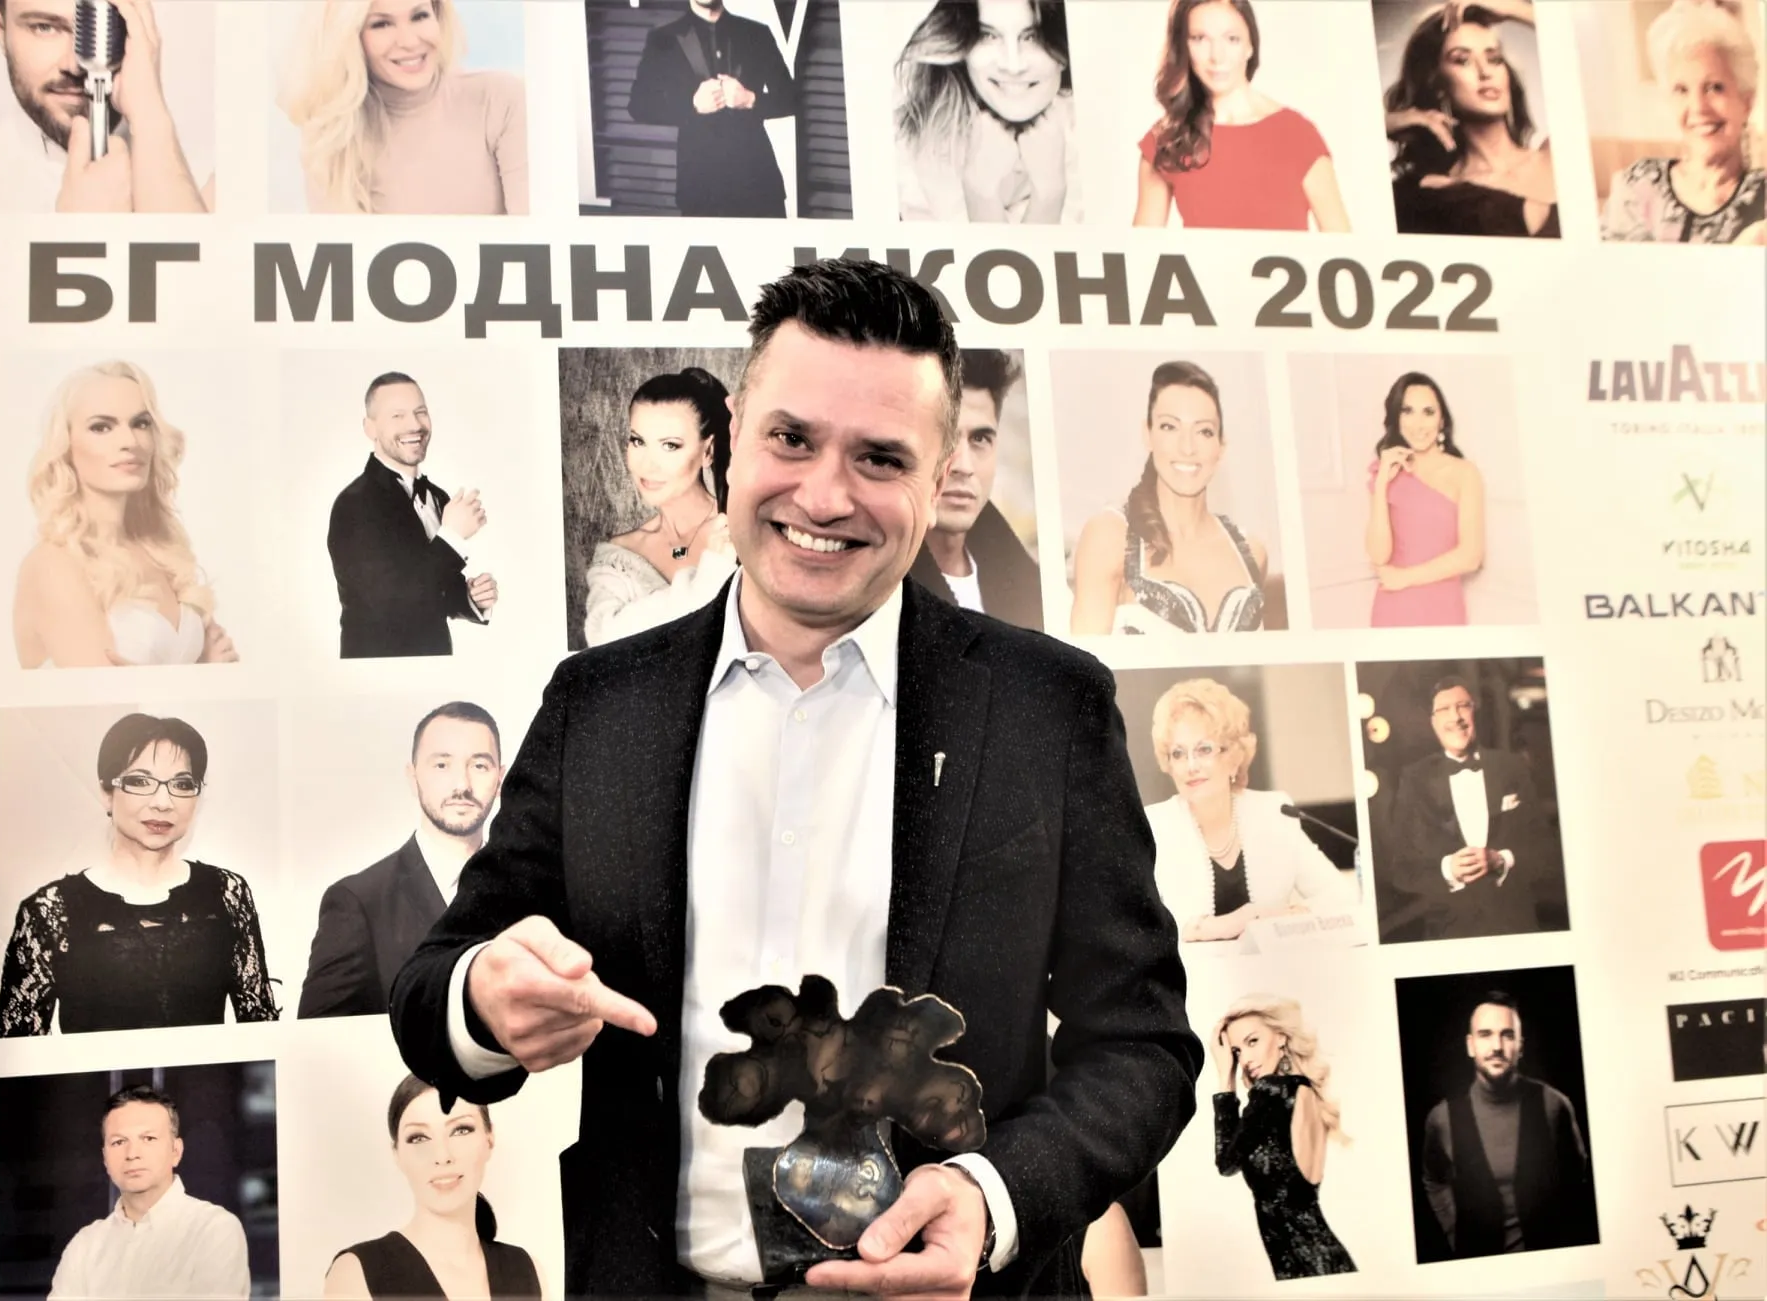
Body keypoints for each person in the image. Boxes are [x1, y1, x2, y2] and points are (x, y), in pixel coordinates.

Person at [389, 259, 1201, 1297]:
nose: (824, 494)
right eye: (791, 438)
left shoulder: (1047, 707)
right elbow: (434, 984)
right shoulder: (599, 703)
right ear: (733, 434)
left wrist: (994, 1194)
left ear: (938, 474)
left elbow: (1140, 1044)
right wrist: (482, 1000)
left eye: (880, 457)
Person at [0, 714, 280, 1035]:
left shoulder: (227, 892)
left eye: (182, 784)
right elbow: (19, 1045)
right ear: (106, 792)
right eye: (141, 782)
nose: (163, 802)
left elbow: (261, 1029)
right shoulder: (50, 910)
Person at [13, 361, 238, 669]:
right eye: (101, 427)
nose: (130, 442)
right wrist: (205, 671)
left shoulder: (160, 553)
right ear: (66, 446)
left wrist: (206, 667)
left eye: (141, 424)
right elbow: (104, 694)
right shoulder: (52, 565)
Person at [0, 0, 211, 212]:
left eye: (105, 25)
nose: (74, 65)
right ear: (0, 28)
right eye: (44, 27)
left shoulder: (206, 183)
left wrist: (151, 118)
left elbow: (195, 287)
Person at [301, 703, 506, 1019]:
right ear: (413, 777)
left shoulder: (531, 891)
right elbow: (320, 1039)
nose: (462, 785)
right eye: (442, 765)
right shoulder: (358, 902)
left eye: (479, 766)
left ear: (500, 778)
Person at [1144, 679, 1355, 944]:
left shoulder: (1273, 813)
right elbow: (1133, 926)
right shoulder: (1156, 826)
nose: (1191, 765)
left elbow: (1341, 898)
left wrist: (1287, 917)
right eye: (1178, 753)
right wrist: (1234, 922)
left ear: (1234, 757)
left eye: (1204, 749)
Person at [1070, 360, 1269, 635]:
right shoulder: (1109, 537)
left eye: (1204, 431)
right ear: (1148, 434)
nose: (1187, 448)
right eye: (1169, 427)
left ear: (1221, 446)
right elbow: (1079, 660)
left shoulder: (1253, 553)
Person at [280, 0, 527, 215]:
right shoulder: (332, 137)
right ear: (349, 38)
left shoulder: (500, 100)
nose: (409, 41)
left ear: (438, 17)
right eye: (381, 24)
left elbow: (533, 242)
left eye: (419, 16)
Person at [1134, 0, 1350, 231]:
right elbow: (1143, 249)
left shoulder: (1297, 134)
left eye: (1232, 39)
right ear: (1183, 46)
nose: (1217, 56)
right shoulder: (1167, 140)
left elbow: (1342, 246)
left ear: (1250, 46)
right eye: (1199, 38)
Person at [329, 371, 499, 659]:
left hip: (438, 665)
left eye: (421, 412)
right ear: (370, 428)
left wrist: (470, 598)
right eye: (397, 416)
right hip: (375, 669)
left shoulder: (438, 497)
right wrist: (453, 537)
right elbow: (391, 602)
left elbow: (434, 588)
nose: (415, 425)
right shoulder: (353, 505)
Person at [324, 1075, 539, 1299]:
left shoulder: (526, 1270)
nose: (442, 1156)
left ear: (489, 1139)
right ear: (397, 1154)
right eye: (419, 1138)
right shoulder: (355, 1274)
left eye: (461, 1130)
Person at [1420, 992, 1597, 1257]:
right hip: (1478, 1265)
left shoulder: (1553, 1105)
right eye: (1485, 1035)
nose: (1497, 1046)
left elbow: (1577, 1175)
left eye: (1507, 1035)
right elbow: (1434, 1179)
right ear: (1470, 1045)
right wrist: (1453, 1232)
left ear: (1520, 1047)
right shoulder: (1442, 1118)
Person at [1384, 677, 1553, 941]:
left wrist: (1502, 860)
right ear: (1432, 721)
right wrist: (1448, 869)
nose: (1456, 717)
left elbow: (1545, 850)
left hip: (1515, 927)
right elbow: (1401, 870)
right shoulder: (1414, 779)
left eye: (1463, 706)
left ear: (1475, 712)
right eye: (1444, 709)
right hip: (1449, 934)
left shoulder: (1511, 767)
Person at [49, 1085, 251, 1300]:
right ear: (105, 1158)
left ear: (176, 1151)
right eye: (119, 1142)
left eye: (148, 1139)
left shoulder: (213, 1229)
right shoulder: (85, 1245)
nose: (132, 1154)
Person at [583, 367, 737, 648]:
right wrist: (711, 574)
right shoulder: (621, 556)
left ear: (708, 451)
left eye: (670, 446)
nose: (648, 465)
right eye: (638, 441)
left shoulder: (739, 529)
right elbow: (603, 640)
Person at [1382, 0, 1559, 237]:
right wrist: (1386, 124)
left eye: (1494, 59)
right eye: (1462, 60)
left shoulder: (1558, 154)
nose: (1485, 72)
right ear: (1437, 86)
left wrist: (1514, 9)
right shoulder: (1435, 193)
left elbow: (1594, 62)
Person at [892, 0, 1079, 224]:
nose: (1013, 66)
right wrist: (981, 193)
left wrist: (1050, 192)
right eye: (989, 35)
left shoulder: (1096, 128)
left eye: (1032, 37)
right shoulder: (917, 140)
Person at [1212, 996, 1357, 1281]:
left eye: (1253, 1041)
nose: (1245, 1059)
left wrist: (1225, 1080)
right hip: (1326, 1265)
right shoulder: (1302, 1090)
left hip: (1308, 1271)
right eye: (1237, 1051)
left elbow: (1226, 1163)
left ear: (1280, 1037)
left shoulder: (1271, 1093)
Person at [1601, 0, 1765, 244]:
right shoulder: (1638, 187)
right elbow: (1601, 266)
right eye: (1681, 90)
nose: (1698, 107)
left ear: (1746, 102)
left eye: (1714, 88)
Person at [906, 348, 1041, 629]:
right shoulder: (873, 593)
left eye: (980, 438)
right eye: (945, 439)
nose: (963, 466)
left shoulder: (1031, 586)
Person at [626, 0, 793, 218]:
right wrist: (691, 104)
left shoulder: (757, 33)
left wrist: (751, 99)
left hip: (759, 184)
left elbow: (792, 99)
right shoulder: (662, 38)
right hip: (701, 189)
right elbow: (639, 105)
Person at [1366, 372, 1484, 628]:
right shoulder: (1385, 472)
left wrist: (1405, 578)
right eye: (1408, 411)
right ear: (1396, 417)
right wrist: (1382, 482)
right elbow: (1379, 555)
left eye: (1428, 412)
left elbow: (1471, 556)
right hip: (1392, 608)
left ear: (1442, 420)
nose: (1418, 424)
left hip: (1441, 606)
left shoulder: (1464, 473)